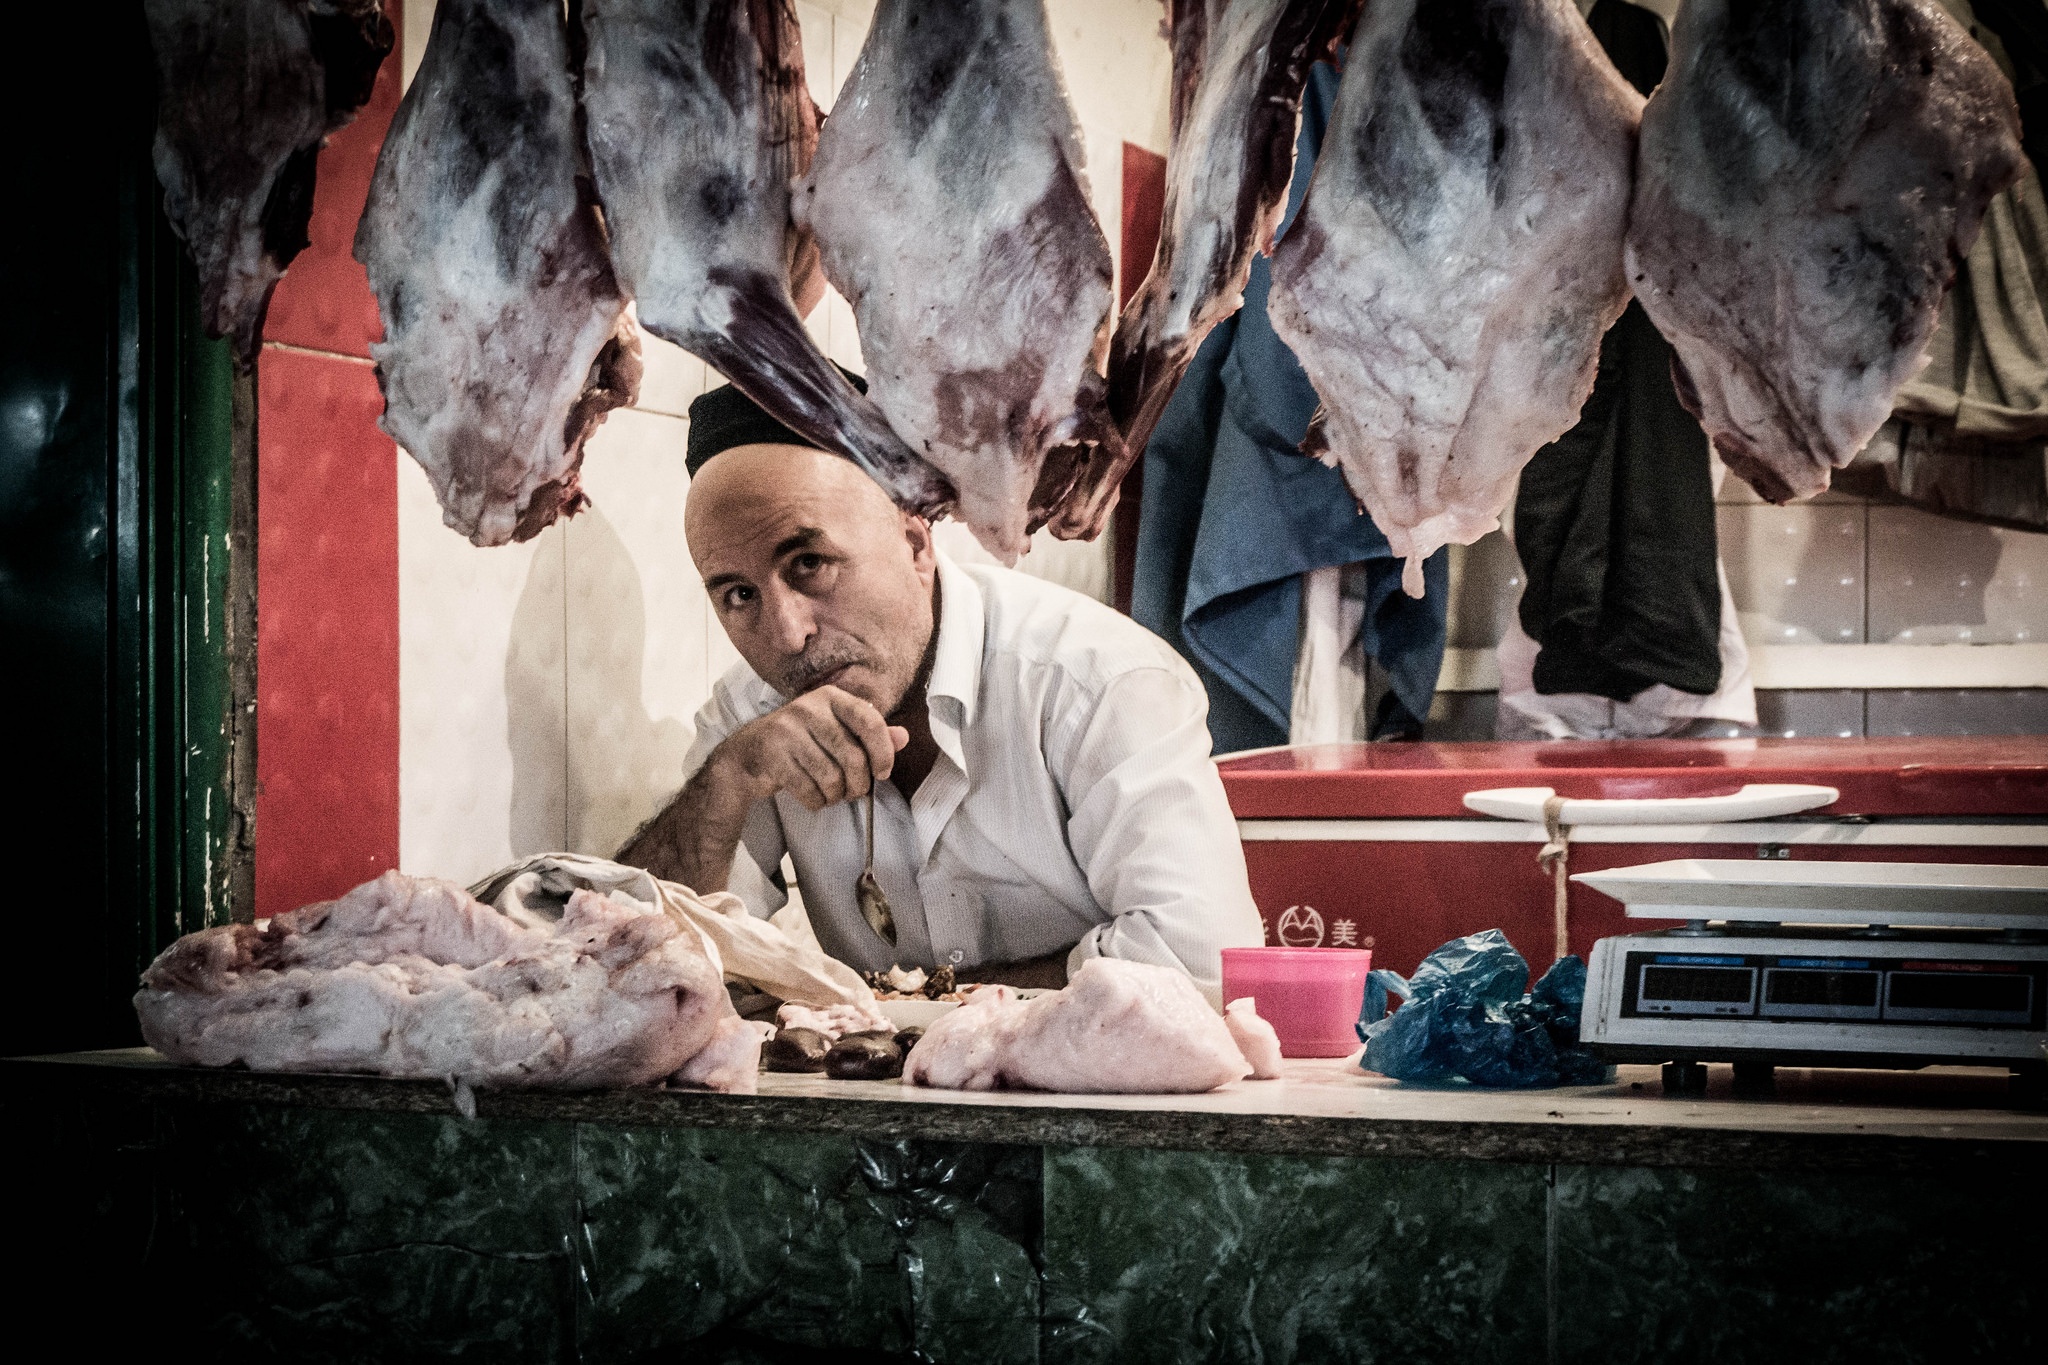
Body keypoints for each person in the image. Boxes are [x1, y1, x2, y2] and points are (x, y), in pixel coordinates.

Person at [619, 383, 1265, 1002]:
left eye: (809, 564)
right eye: (739, 595)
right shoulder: (751, 720)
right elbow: (629, 967)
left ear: (914, 541)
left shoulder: (1093, 684)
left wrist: (934, 1007)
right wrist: (725, 782)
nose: (787, 634)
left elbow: (1203, 960)